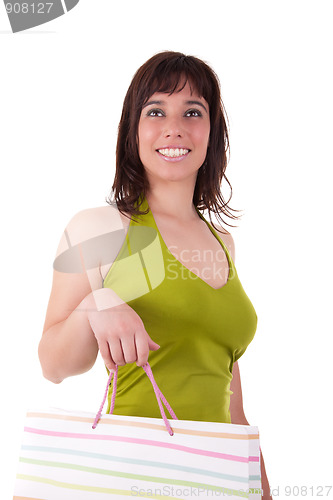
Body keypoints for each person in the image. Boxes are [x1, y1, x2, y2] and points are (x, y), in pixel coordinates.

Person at [38, 51, 272, 499]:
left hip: (218, 481)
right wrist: (95, 305)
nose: (174, 126)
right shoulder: (100, 229)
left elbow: (234, 408)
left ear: (212, 133)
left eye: (193, 112)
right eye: (155, 111)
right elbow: (53, 366)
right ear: (134, 129)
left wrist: (262, 491)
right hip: (133, 477)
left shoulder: (224, 243)